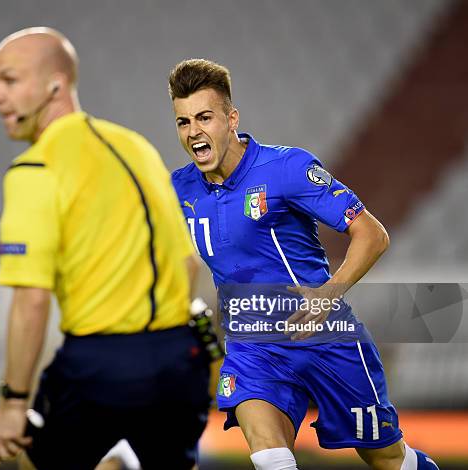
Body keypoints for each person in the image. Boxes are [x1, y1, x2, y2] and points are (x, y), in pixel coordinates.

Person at [168, 59, 440, 470]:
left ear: (231, 118)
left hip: (326, 340)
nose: (194, 132)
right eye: (183, 122)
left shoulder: (285, 168)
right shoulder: (179, 188)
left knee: (387, 458)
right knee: (269, 454)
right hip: (253, 347)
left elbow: (372, 234)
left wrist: (329, 295)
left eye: (204, 117)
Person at [0, 27, 210, 469]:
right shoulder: (138, 148)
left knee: (32, 459)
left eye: (9, 80)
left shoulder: (36, 168)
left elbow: (31, 302)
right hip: (179, 361)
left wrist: (13, 404)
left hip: (98, 365)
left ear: (55, 85)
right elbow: (187, 261)